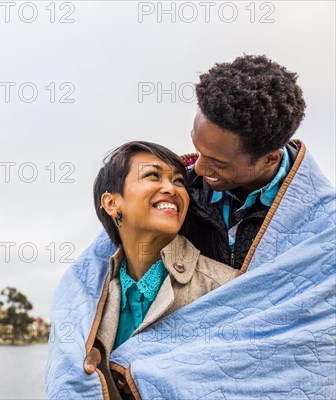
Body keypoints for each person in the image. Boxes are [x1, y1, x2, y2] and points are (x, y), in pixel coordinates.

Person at [46, 55, 335, 399]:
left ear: (270, 158)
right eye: (197, 148)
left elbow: (315, 338)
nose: (197, 167)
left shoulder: (324, 228)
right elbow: (92, 273)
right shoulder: (182, 191)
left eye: (218, 162)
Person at [89, 141, 238, 399]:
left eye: (179, 182)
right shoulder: (88, 301)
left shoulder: (224, 286)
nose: (171, 188)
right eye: (152, 176)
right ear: (112, 203)